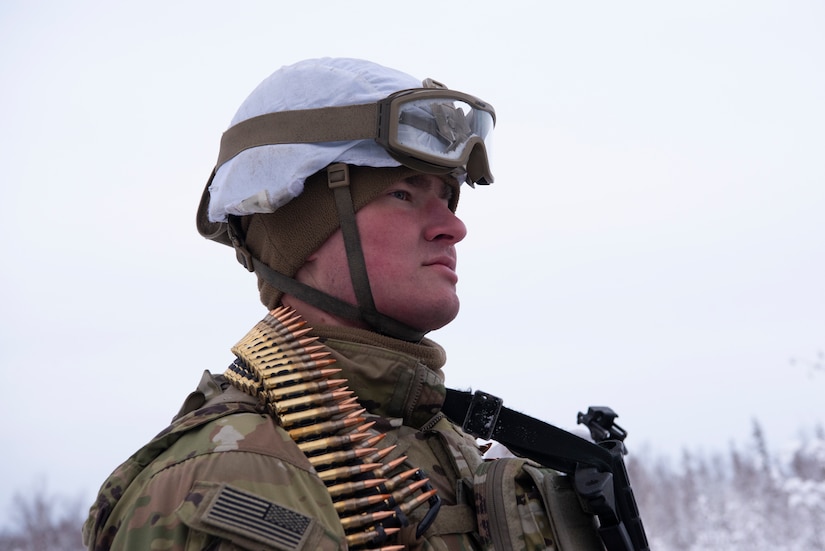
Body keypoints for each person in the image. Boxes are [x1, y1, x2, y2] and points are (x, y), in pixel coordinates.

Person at [83, 57, 609, 551]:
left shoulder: (451, 450)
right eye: (404, 193)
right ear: (302, 233)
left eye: (448, 198)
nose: (454, 226)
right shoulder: (210, 483)